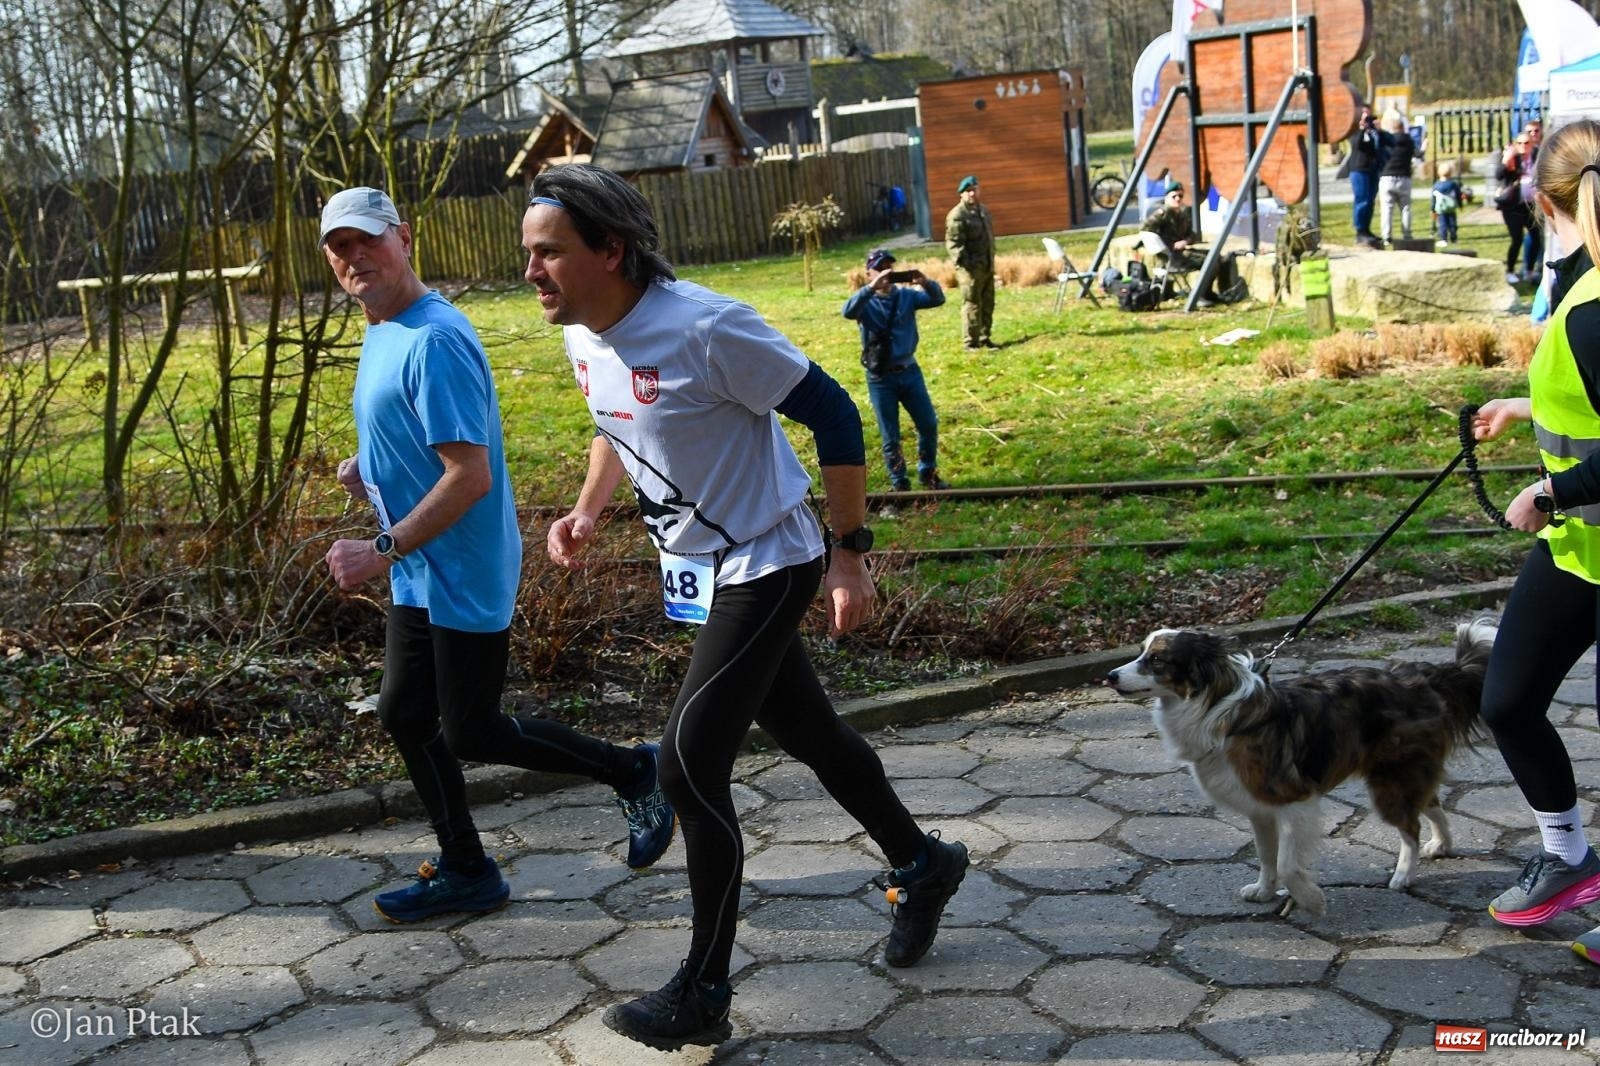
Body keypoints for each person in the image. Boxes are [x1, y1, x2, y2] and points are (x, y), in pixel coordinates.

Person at [522, 163, 971, 1049]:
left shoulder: (706, 326)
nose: (531, 272)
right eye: (528, 255)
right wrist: (586, 508)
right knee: (812, 734)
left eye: (549, 254)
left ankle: (704, 990)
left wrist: (850, 559)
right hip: (699, 570)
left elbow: (837, 416)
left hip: (768, 559)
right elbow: (616, 424)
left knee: (687, 766)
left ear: (611, 250)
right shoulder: (583, 329)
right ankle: (924, 864)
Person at [318, 186, 676, 923]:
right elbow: (426, 439)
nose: (355, 257)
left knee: (471, 728)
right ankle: (467, 868)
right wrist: (372, 468)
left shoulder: (434, 337)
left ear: (404, 238)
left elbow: (469, 476)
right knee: (405, 713)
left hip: (462, 564)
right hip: (423, 564)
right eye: (339, 246)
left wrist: (381, 547)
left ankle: (635, 769)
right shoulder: (384, 326)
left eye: (368, 241)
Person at [1469, 117, 1600, 969]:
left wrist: (1552, 488)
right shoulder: (1582, 289)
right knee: (1508, 700)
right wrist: (1529, 409)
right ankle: (1569, 858)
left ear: (1543, 203)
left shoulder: (1593, 307)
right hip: (1580, 551)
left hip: (1577, 524)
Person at [842, 248, 950, 492]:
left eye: (889, 268)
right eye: (879, 269)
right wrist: (871, 288)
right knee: (890, 435)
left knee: (928, 424)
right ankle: (899, 483)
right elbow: (847, 311)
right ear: (868, 273)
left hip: (910, 371)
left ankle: (928, 473)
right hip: (880, 377)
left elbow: (937, 299)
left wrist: (926, 283)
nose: (886, 273)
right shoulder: (865, 301)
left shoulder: (906, 296)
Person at [1140, 182, 1228, 307]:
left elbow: (1193, 235)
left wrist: (1185, 241)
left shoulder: (1183, 214)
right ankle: (1199, 295)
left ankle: (1207, 292)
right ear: (1167, 198)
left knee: (1216, 256)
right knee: (1210, 261)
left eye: (1180, 196)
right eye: (1174, 196)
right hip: (1171, 257)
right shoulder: (1162, 214)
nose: (1177, 199)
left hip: (1182, 252)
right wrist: (1165, 246)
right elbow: (1145, 228)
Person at [944, 174, 996, 350]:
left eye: (974, 190)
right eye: (968, 191)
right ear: (961, 194)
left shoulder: (983, 211)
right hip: (970, 269)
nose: (972, 194)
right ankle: (970, 342)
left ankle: (984, 337)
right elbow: (954, 244)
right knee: (972, 304)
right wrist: (968, 264)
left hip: (987, 265)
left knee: (987, 302)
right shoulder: (957, 215)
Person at [1497, 127, 1542, 284]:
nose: (1523, 146)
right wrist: (1505, 160)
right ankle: (1510, 270)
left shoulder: (1537, 155)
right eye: (1520, 143)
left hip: (1531, 205)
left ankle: (1528, 270)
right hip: (1513, 206)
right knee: (1517, 239)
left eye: (1526, 143)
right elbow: (1499, 175)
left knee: (1536, 237)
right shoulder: (1512, 158)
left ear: (1531, 144)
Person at [1346, 104, 1384, 249]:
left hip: (1372, 169)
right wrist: (1362, 129)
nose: (1366, 118)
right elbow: (1356, 145)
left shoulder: (1373, 131)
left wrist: (1378, 130)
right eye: (1363, 115)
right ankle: (1359, 230)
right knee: (1361, 200)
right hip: (1359, 168)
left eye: (1368, 115)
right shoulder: (1354, 131)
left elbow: (1382, 146)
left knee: (1370, 201)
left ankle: (1367, 229)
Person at [1376, 109, 1415, 246]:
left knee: (1387, 209)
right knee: (1405, 208)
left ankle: (1387, 236)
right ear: (1402, 127)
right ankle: (1407, 234)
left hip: (1386, 177)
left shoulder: (1386, 140)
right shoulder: (1408, 141)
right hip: (1404, 177)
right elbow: (1415, 153)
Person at [1431, 159, 1464, 246]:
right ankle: (1454, 238)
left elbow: (1433, 198)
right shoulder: (1453, 185)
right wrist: (1460, 205)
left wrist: (1433, 209)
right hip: (1451, 208)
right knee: (1453, 223)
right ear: (1451, 173)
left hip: (1441, 208)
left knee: (1443, 224)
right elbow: (1458, 196)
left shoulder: (1436, 185)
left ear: (1439, 172)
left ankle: (1443, 239)